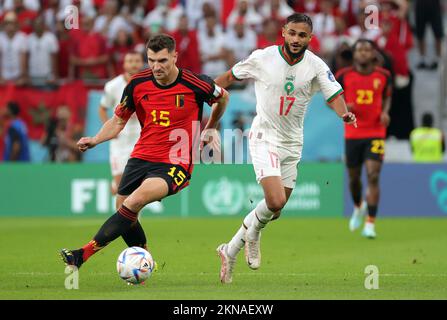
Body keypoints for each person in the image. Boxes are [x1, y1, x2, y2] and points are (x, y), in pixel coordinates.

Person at [60, 34, 229, 269]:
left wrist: (210, 128)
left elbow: (223, 97)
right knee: (123, 209)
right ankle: (146, 260)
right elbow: (118, 121)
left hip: (176, 162)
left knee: (134, 200)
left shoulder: (195, 83)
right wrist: (96, 139)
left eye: (162, 61)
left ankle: (82, 254)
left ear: (174, 56)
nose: (156, 67)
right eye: (151, 60)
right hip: (141, 155)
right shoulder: (138, 84)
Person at [214, 13, 357, 284]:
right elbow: (229, 77)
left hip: (293, 142)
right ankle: (254, 234)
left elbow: (334, 93)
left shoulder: (315, 65)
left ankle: (229, 250)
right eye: (292, 33)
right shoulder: (263, 57)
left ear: (309, 39)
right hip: (264, 136)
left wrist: (344, 114)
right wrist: (200, 92)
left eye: (302, 35)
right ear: (283, 32)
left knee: (275, 210)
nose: (296, 39)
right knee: (275, 201)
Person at [335, 39, 392, 239]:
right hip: (353, 133)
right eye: (360, 50)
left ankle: (370, 224)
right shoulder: (343, 76)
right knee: (354, 178)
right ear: (355, 54)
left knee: (373, 175)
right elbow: (331, 99)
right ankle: (359, 206)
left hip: (375, 132)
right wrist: (344, 108)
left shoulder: (383, 76)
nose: (364, 53)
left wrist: (385, 112)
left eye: (367, 49)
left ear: (373, 53)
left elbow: (387, 96)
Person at [99, 51, 144, 195]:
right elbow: (102, 108)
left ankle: (133, 218)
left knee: (137, 184)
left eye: (137, 61)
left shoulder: (148, 84)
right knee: (120, 187)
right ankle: (115, 187)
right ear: (124, 64)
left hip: (139, 137)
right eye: (130, 61)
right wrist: (111, 131)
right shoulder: (113, 86)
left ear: (142, 63)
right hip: (120, 140)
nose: (133, 64)